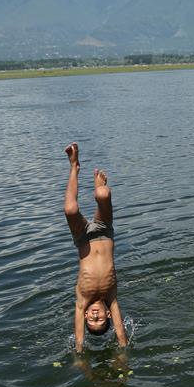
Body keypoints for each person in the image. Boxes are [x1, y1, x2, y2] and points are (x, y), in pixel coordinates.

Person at [63, 142, 127, 352]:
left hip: (83, 239)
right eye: (100, 320)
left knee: (71, 209)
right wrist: (122, 353)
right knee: (103, 195)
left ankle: (74, 167)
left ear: (85, 316)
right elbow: (120, 332)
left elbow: (78, 339)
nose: (95, 317)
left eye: (91, 321)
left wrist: (79, 355)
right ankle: (98, 185)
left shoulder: (82, 300)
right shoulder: (111, 297)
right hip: (103, 231)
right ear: (108, 314)